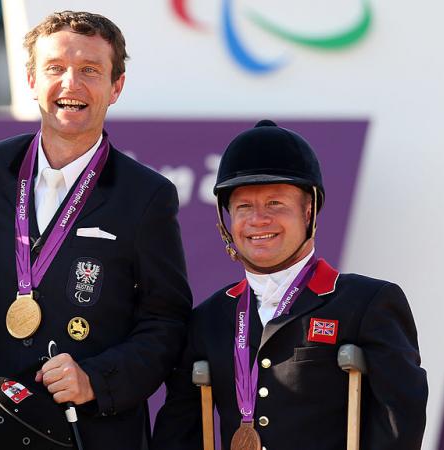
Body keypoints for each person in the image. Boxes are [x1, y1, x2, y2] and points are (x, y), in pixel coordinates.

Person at [0, 11, 192, 449]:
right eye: (55, 68)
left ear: (116, 87)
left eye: (90, 70)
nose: (71, 84)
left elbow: (167, 321)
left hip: (90, 432)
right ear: (32, 80)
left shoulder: (147, 195)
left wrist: (96, 379)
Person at [152, 120, 428, 449]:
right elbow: (178, 433)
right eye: (244, 207)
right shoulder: (207, 320)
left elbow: (400, 424)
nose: (258, 220)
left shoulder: (369, 303)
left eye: (275, 204)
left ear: (308, 211)